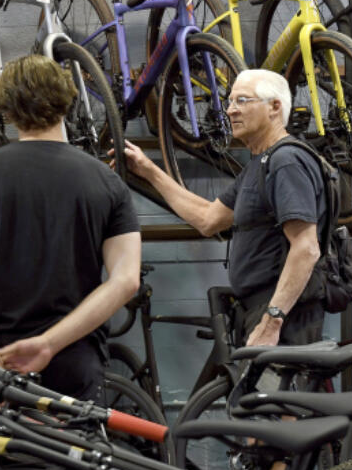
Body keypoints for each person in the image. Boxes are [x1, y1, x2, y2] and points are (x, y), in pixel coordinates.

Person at [0, 54, 141, 402]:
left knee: (2, 455)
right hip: (74, 357)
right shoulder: (106, 182)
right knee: (74, 456)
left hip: (0, 353)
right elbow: (126, 280)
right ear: (66, 102)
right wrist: (49, 343)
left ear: (6, 110)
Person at [120, 68, 324, 347]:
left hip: (282, 321)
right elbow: (208, 219)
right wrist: (148, 170)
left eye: (242, 101)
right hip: (259, 311)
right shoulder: (260, 165)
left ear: (274, 107)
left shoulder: (286, 162)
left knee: (267, 392)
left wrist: (271, 322)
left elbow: (306, 248)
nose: (230, 111)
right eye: (230, 102)